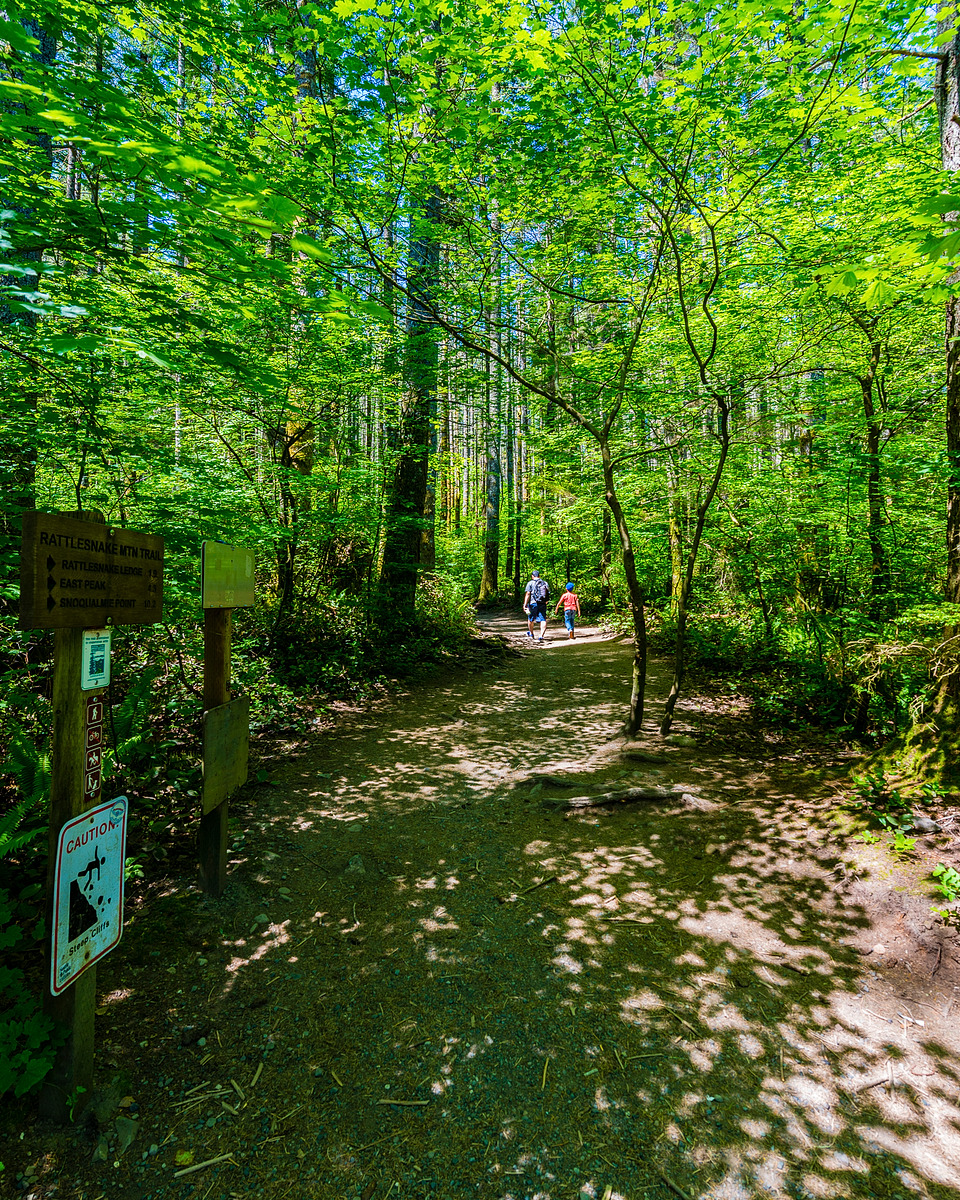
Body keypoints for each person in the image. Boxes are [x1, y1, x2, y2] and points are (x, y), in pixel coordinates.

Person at [523, 570, 550, 641]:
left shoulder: (530, 583)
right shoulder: (545, 583)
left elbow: (528, 594)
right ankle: (541, 636)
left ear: (532, 576)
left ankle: (531, 634)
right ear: (539, 576)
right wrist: (546, 601)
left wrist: (525, 604)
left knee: (530, 619)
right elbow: (547, 593)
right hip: (542, 603)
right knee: (543, 619)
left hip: (533, 603)